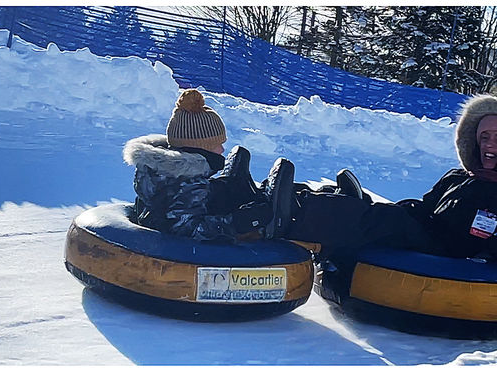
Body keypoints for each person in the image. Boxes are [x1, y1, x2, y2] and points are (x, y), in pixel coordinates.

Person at [278, 94, 497, 260]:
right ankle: (283, 198)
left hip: (447, 252)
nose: (489, 143)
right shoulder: (459, 177)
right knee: (368, 209)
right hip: (425, 234)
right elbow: (426, 207)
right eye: (484, 136)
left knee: (385, 222)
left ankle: (288, 215)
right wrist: (404, 209)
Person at [123, 89, 294, 242]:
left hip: (166, 219)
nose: (221, 150)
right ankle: (278, 214)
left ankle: (238, 186)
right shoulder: (184, 182)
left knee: (227, 189)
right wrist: (238, 222)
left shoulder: (165, 172)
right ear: (198, 148)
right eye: (216, 145)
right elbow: (188, 229)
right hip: (183, 254)